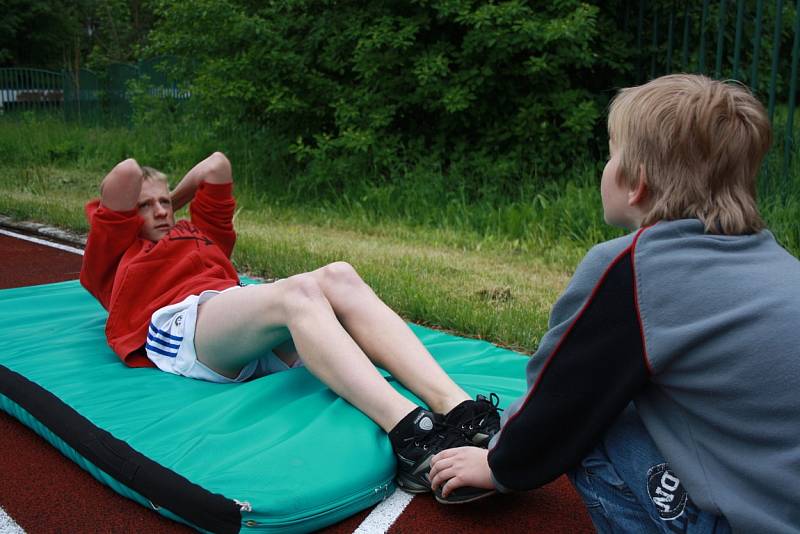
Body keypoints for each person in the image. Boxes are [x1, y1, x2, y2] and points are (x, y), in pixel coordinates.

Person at [429, 74, 800, 532]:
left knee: (599, 419)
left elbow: (562, 400)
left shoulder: (630, 269)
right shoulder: (780, 263)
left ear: (636, 182)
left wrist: (500, 465)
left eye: (611, 152)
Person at [79, 152, 500, 499]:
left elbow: (218, 165)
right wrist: (150, 198)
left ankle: (459, 409)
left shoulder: (197, 232)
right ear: (122, 215)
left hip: (237, 317)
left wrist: (169, 199)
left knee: (338, 273)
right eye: (144, 205)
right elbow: (126, 172)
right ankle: (411, 435)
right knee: (296, 291)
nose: (161, 211)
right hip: (181, 323)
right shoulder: (115, 253)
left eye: (165, 203)